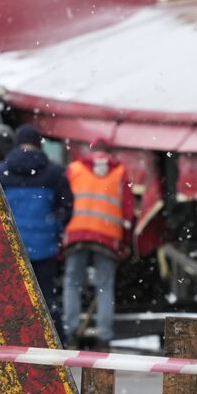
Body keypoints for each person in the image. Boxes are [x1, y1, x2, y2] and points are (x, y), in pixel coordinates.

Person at [0, 125, 72, 335]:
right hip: (44, 248)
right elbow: (66, 208)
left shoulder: (1, 171)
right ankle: (55, 344)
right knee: (46, 298)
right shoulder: (55, 173)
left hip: (11, 248)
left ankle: (13, 340)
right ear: (40, 144)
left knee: (11, 298)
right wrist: (54, 229)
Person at [62, 140, 134, 349]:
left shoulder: (74, 169)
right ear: (109, 153)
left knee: (72, 284)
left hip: (76, 233)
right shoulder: (120, 172)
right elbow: (128, 212)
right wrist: (126, 242)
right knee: (104, 286)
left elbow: (63, 202)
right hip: (108, 237)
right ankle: (104, 337)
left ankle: (71, 333)